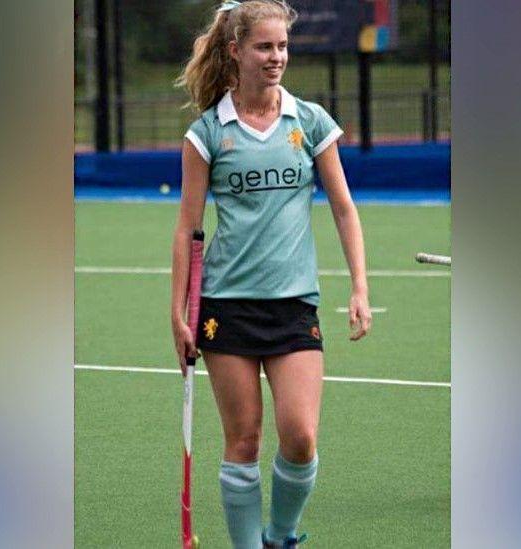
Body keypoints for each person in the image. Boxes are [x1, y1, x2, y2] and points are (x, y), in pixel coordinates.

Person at [170, 1, 371, 547]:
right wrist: (178, 312)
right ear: (235, 51)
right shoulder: (208, 133)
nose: (276, 56)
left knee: (301, 437)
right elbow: (189, 228)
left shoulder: (308, 122)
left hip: (292, 304)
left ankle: (279, 536)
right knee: (243, 440)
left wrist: (359, 286)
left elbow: (344, 207)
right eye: (264, 46)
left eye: (282, 46)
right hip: (226, 305)